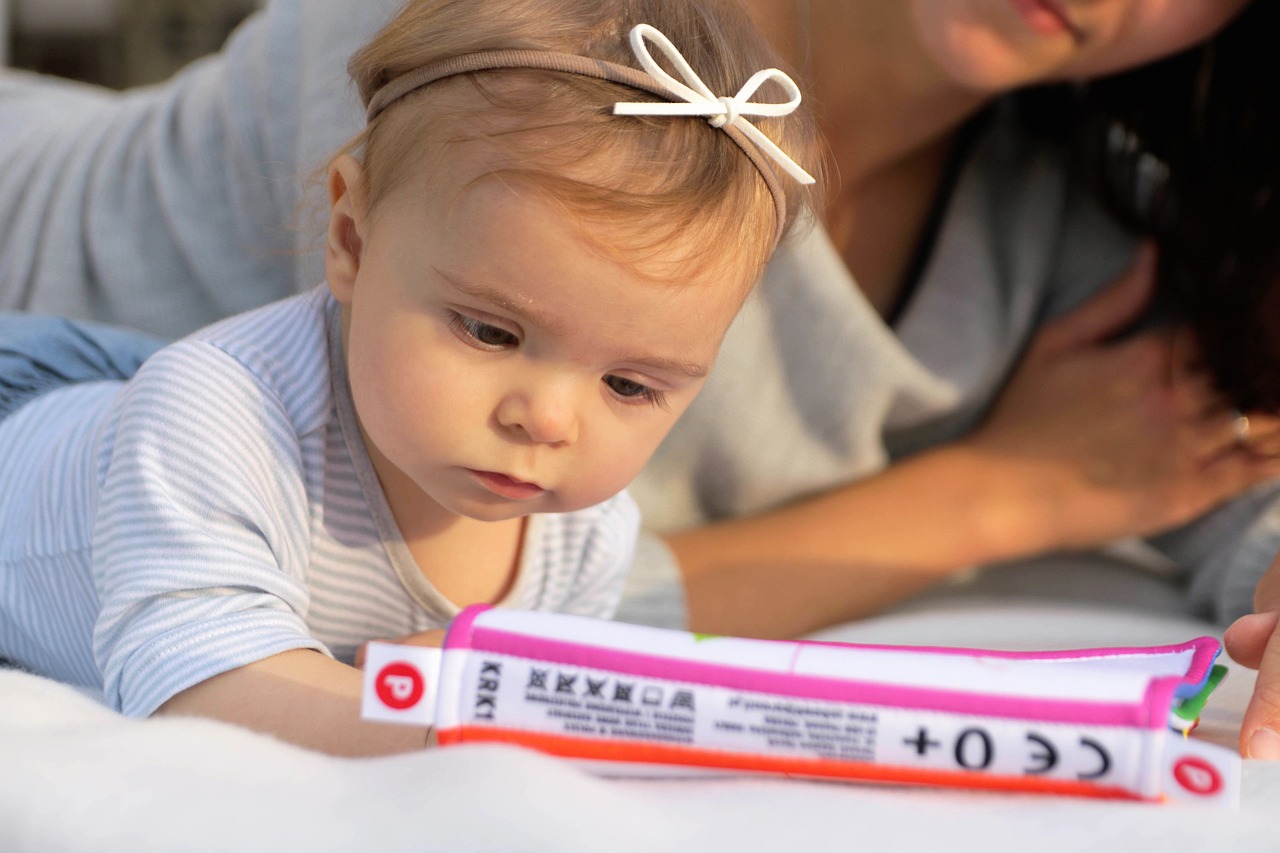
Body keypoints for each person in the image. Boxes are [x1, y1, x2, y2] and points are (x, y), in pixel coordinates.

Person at [4, 0, 1280, 756]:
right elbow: (416, 593)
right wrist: (996, 498)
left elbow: (1245, 476)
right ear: (345, 231)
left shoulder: (1061, 234)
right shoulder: (516, 74)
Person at [0, 0, 821, 756]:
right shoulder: (220, 421)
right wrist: (441, 731)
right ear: (351, 239)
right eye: (492, 331)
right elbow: (200, 685)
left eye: (631, 386)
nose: (549, 418)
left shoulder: (584, 535)